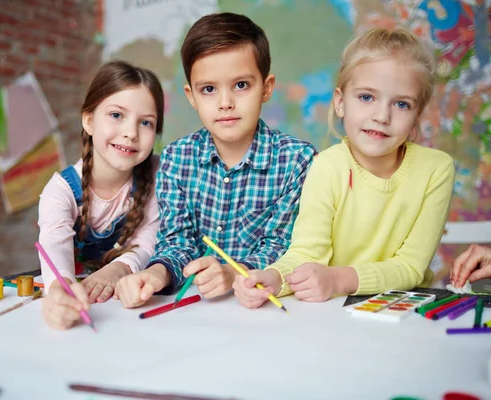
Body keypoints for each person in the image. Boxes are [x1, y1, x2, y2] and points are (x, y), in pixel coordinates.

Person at [233, 28, 456, 307]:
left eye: (401, 104)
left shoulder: (436, 169)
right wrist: (276, 278)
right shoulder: (327, 166)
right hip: (333, 312)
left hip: (405, 310)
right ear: (340, 102)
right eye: (366, 97)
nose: (381, 116)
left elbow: (410, 267)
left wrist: (338, 279)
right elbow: (307, 253)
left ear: (416, 116)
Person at [115, 12, 316, 308]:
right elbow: (176, 241)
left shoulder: (297, 160)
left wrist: (233, 273)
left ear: (267, 87)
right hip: (194, 313)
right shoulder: (176, 158)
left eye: (241, 85)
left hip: (265, 312)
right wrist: (157, 274)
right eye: (209, 89)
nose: (225, 103)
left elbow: (282, 247)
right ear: (192, 96)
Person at [38, 61, 164, 329]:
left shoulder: (160, 176)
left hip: (129, 316)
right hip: (90, 308)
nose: (131, 132)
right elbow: (54, 248)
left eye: (145, 122)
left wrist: (119, 268)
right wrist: (60, 293)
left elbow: (149, 240)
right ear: (89, 120)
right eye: (117, 115)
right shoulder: (60, 191)